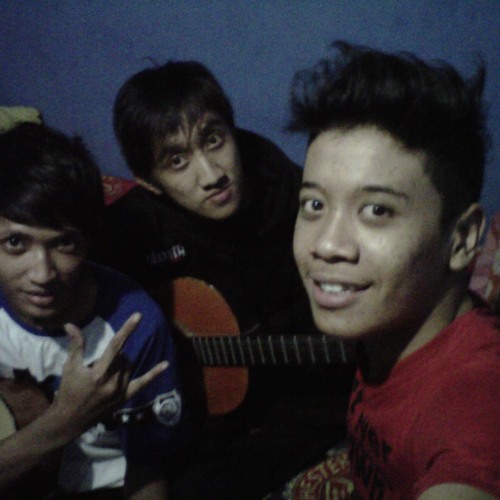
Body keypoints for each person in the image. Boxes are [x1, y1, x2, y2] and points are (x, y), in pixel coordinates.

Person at [94, 61, 354, 499]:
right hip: (199, 410)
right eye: (177, 161)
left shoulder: (285, 190)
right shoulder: (133, 229)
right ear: (149, 182)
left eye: (214, 140)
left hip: (297, 386)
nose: (212, 175)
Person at [290, 41, 500, 499]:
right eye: (314, 204)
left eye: (377, 211)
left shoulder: (476, 405)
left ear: (463, 238)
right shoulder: (388, 329)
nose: (326, 245)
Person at [0, 122, 186, 499]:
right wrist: (66, 420)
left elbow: (147, 471)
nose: (42, 274)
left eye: (64, 244)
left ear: (88, 241)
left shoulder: (134, 324)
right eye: (15, 242)